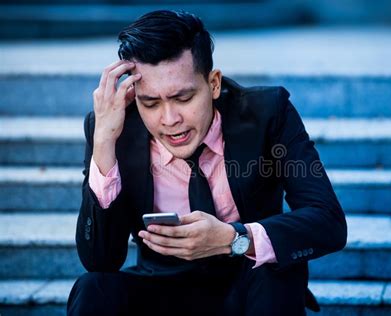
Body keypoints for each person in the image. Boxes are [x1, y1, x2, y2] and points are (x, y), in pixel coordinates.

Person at [67, 9, 347, 316]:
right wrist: (104, 142)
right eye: (151, 103)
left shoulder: (268, 113)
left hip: (251, 285)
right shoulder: (115, 130)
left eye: (184, 98)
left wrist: (235, 239)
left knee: (278, 267)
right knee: (92, 288)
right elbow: (100, 261)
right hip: (161, 290)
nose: (170, 119)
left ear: (213, 84)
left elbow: (327, 221)